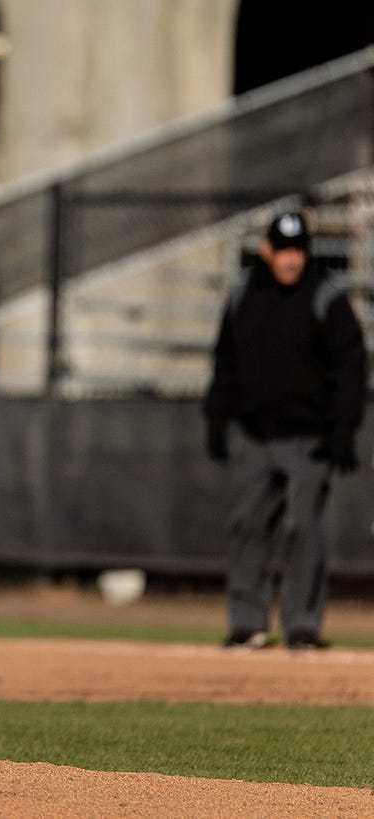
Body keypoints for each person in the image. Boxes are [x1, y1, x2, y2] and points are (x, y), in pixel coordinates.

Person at [204, 209, 367, 651]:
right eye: (284, 251)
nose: (292, 261)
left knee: (303, 528)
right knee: (248, 526)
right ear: (267, 251)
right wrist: (216, 418)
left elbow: (351, 365)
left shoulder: (325, 298)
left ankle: (302, 625)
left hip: (310, 438)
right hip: (255, 434)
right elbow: (226, 362)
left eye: (299, 251)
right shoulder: (244, 297)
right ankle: (247, 621)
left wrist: (343, 429)